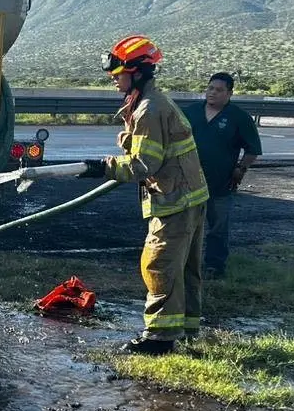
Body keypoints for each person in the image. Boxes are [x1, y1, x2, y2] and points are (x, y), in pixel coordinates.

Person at [79, 35, 210, 354]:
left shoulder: (149, 109)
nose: (114, 81)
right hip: (190, 197)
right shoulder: (152, 102)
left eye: (117, 75)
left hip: (174, 200)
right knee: (184, 268)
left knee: (159, 264)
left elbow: (143, 164)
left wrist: (104, 167)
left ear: (136, 72)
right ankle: (187, 328)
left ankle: (159, 339)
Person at [183, 72, 262, 279]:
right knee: (185, 227)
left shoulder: (239, 117)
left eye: (219, 90)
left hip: (220, 185)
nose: (213, 93)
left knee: (217, 228)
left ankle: (214, 267)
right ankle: (183, 265)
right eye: (210, 88)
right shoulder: (190, 113)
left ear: (229, 93)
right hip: (188, 183)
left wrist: (241, 169)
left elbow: (252, 149)